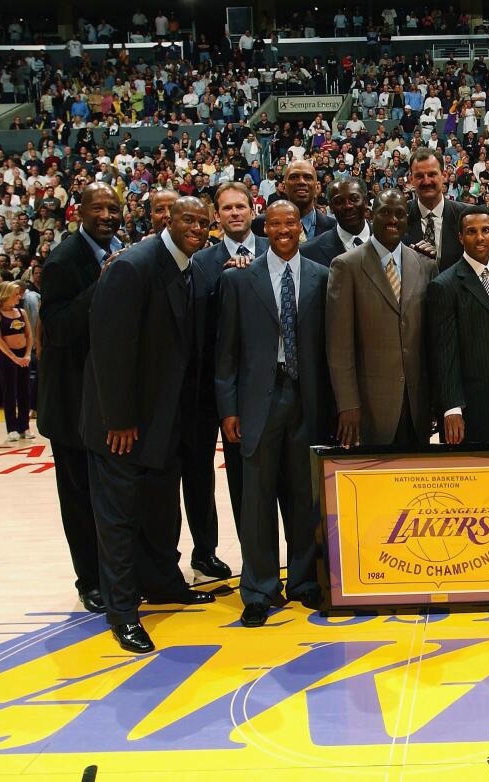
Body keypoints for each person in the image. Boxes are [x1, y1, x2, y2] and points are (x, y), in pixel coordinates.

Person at [82, 196, 217, 654]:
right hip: (123, 424)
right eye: (188, 219)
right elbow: (108, 348)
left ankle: (163, 585)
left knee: (161, 513)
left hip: (165, 423)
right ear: (166, 220)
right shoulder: (132, 266)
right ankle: (122, 614)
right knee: (119, 521)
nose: (196, 227)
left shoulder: (194, 268)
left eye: (204, 222)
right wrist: (118, 418)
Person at [216, 199, 334, 627]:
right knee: (257, 499)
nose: (284, 230)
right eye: (276, 224)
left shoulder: (323, 277)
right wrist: (227, 407)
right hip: (257, 402)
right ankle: (259, 588)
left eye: (291, 223)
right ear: (265, 228)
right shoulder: (239, 281)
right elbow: (226, 354)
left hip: (307, 399)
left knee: (303, 497)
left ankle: (303, 581)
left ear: (301, 228)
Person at [38, 182, 122, 614]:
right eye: (98, 208)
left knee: (110, 498)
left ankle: (116, 573)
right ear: (79, 212)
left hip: (107, 401)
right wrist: (102, 283)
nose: (107, 215)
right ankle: (88, 580)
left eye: (113, 208)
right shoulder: (64, 261)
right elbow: (57, 330)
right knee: (79, 499)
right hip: (72, 406)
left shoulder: (120, 249)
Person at [182, 182, 268, 579]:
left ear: (253, 210)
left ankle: (275, 557)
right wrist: (225, 283)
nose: (234, 213)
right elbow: (201, 326)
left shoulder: (274, 249)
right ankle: (227, 556)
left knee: (271, 478)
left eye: (240, 207)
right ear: (217, 216)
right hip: (221, 383)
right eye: (226, 208)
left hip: (268, 382)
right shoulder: (202, 262)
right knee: (227, 477)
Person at [326, 188, 436, 447]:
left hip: (416, 404)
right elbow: (339, 346)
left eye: (399, 214)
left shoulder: (424, 264)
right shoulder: (346, 265)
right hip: (369, 406)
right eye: (385, 212)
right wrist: (348, 405)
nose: (392, 220)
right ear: (370, 214)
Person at [427, 207, 489, 444]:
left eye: (486, 230)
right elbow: (444, 353)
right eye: (472, 232)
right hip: (472, 409)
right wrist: (452, 408)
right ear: (461, 237)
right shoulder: (444, 285)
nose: (480, 237)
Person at [403, 147, 471, 270]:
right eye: (419, 176)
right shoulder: (400, 216)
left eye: (432, 174)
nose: (426, 181)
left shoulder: (466, 215)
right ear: (411, 179)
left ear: (444, 175)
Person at [0, 281, 34, 441]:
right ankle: (11, 428)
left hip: (23, 356)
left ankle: (25, 426)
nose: (18, 296)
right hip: (7, 357)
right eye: (15, 294)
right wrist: (14, 357)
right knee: (10, 392)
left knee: (24, 391)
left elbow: (29, 334)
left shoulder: (21, 312)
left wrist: (27, 355)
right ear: (5, 294)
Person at [252, 159, 336, 241]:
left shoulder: (333, 227)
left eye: (308, 177)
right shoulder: (261, 224)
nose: (301, 182)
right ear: (284, 187)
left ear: (317, 187)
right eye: (294, 177)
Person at [300, 176, 370, 267]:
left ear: (365, 202)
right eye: (339, 201)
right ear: (331, 207)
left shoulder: (387, 240)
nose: (347, 206)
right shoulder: (309, 252)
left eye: (354, 199)